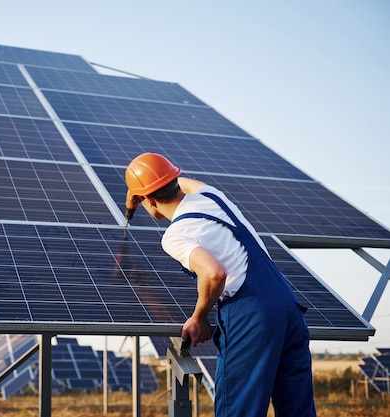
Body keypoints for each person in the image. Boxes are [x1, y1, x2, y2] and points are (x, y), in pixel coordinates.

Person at [125, 152, 316, 417]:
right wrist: (155, 182)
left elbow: (214, 273)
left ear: (146, 200)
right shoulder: (214, 197)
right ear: (174, 180)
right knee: (298, 411)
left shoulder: (175, 235)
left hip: (251, 316)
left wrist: (199, 317)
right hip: (289, 307)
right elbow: (190, 185)